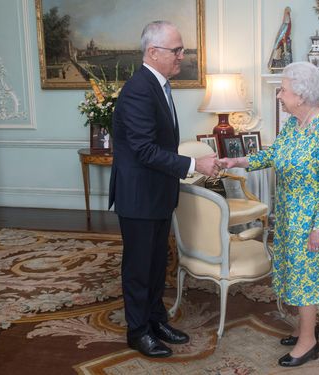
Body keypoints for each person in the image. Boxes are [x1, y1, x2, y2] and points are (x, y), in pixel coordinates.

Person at [219, 61, 319, 367]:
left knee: (307, 280)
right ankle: (306, 328)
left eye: (284, 90)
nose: (279, 95)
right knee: (295, 275)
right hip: (290, 215)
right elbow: (274, 154)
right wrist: (238, 162)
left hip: (313, 219)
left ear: (300, 96)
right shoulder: (294, 124)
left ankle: (308, 342)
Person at [109, 21, 220, 358]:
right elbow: (143, 150)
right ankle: (138, 331)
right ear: (153, 52)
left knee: (158, 263)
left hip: (157, 194)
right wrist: (192, 166)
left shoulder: (159, 85)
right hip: (139, 197)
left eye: (181, 49)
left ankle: (156, 320)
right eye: (176, 50)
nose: (181, 56)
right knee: (140, 267)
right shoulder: (139, 89)